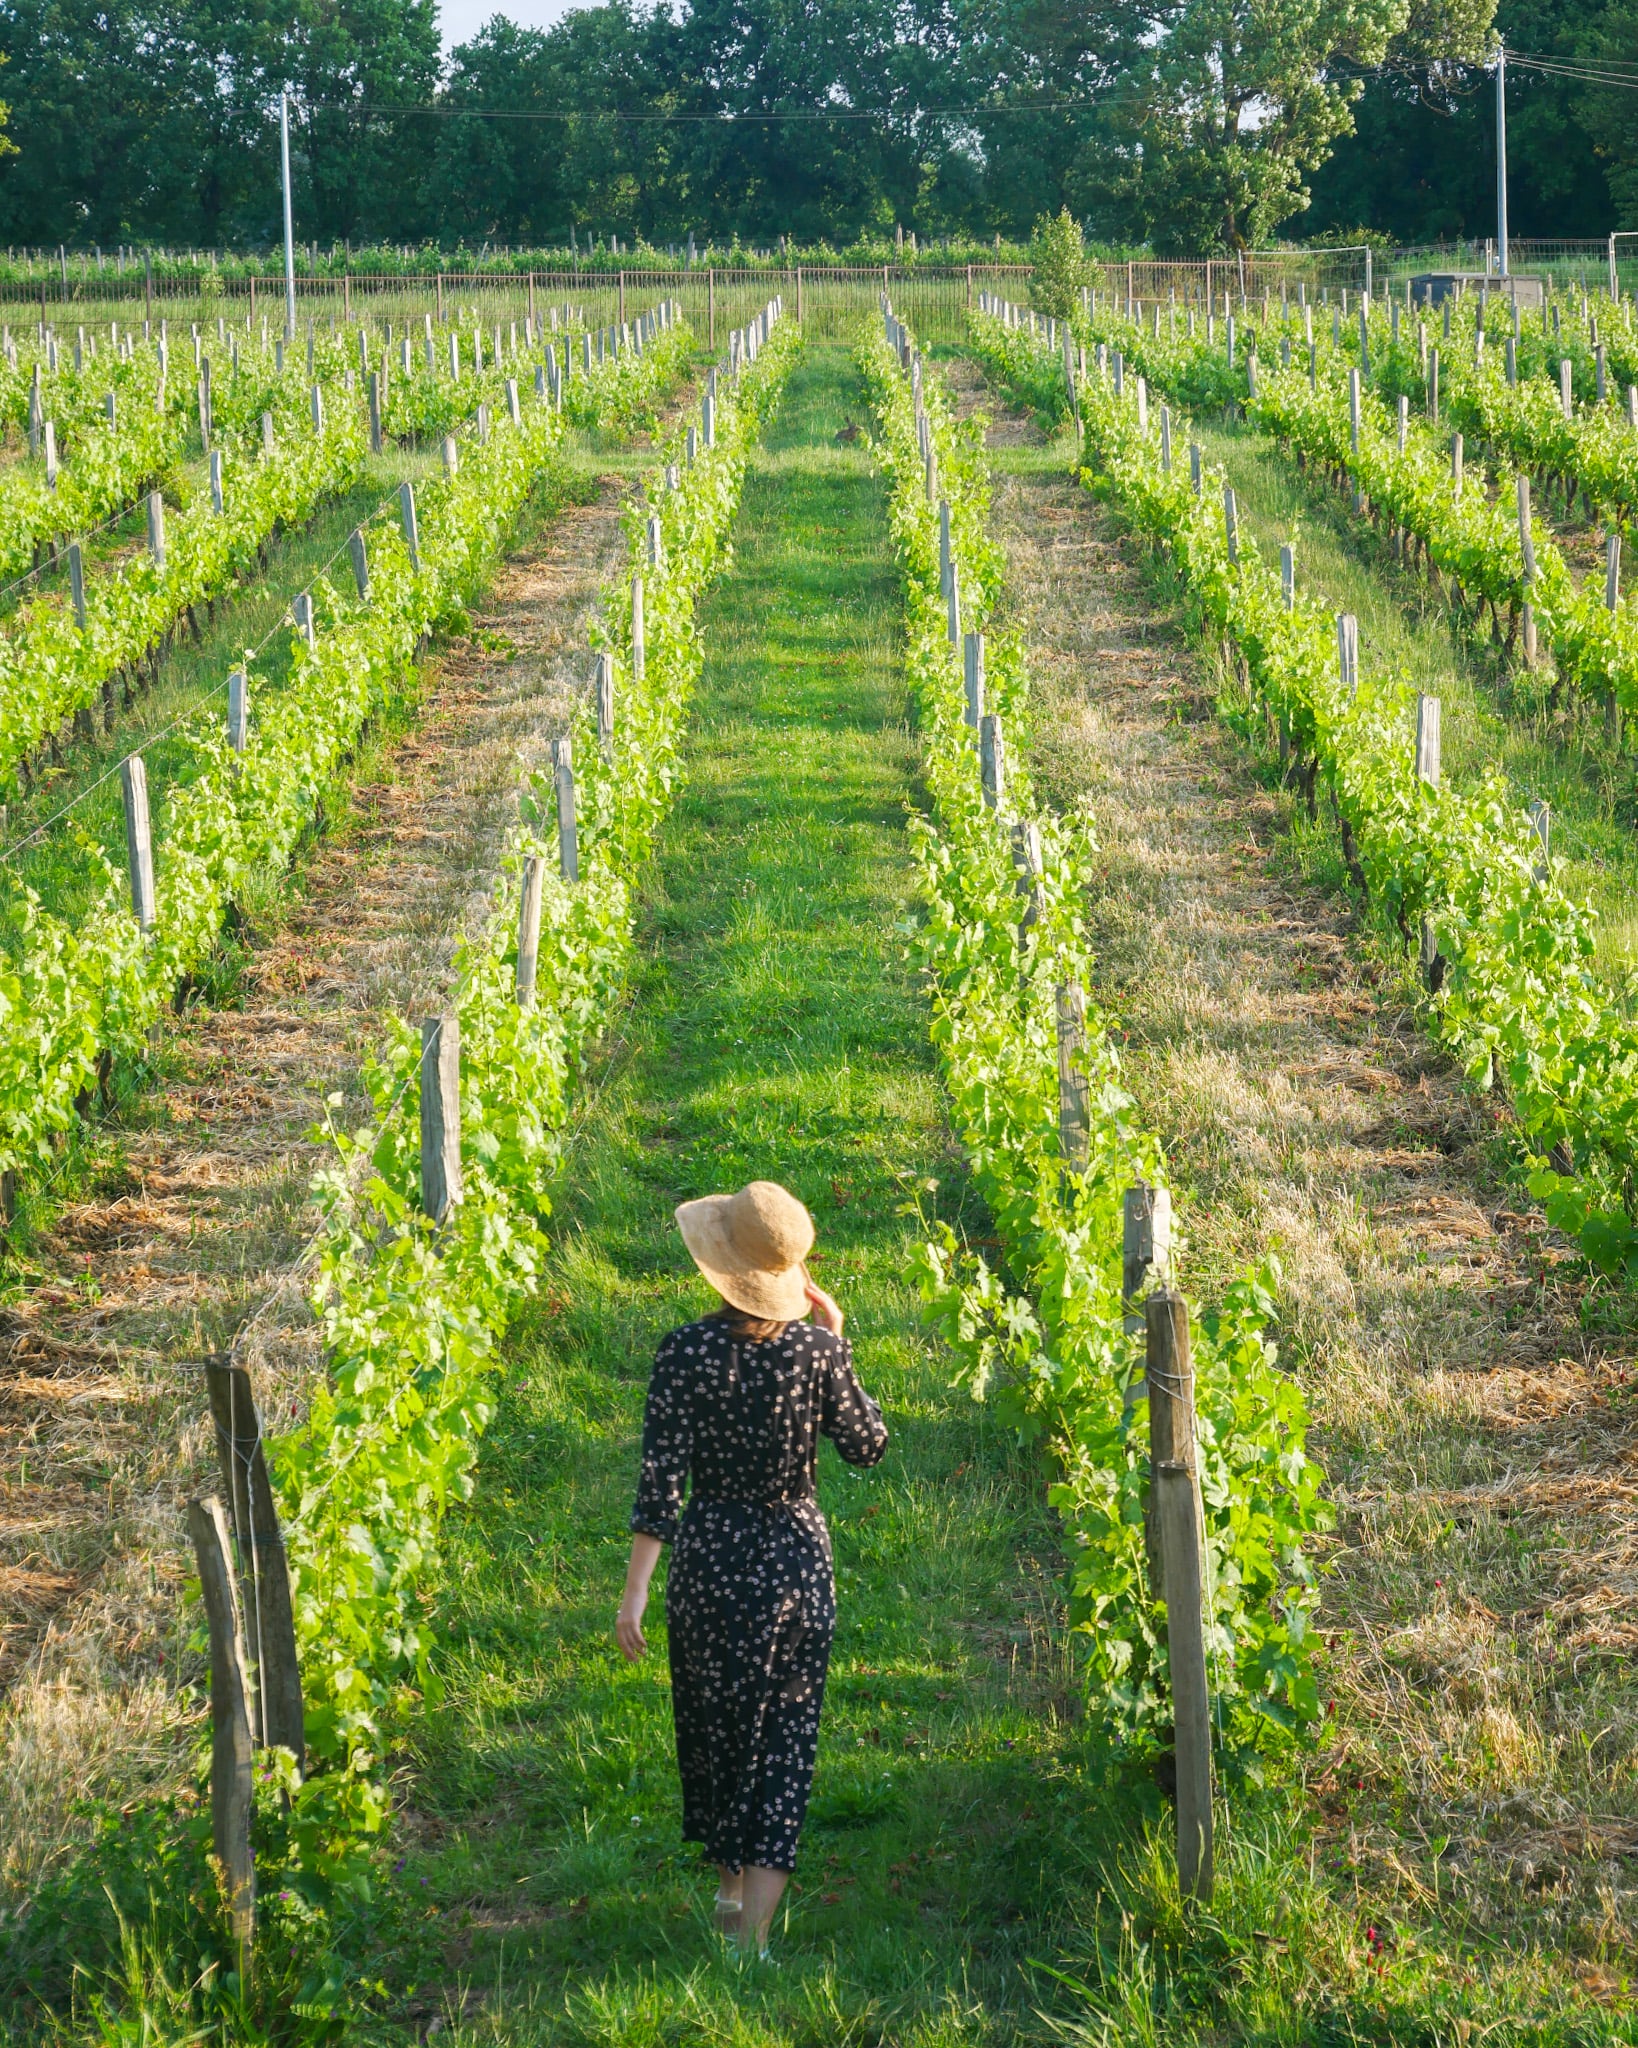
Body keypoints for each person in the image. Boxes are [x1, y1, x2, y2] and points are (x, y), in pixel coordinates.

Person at [616, 1179, 888, 1955]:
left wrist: (635, 1594)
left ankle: (729, 1895)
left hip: (710, 1560)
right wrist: (839, 1343)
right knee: (783, 1741)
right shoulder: (818, 1353)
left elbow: (661, 1483)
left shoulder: (683, 1353)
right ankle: (752, 1945)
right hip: (796, 1564)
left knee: (715, 1729)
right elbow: (868, 1445)